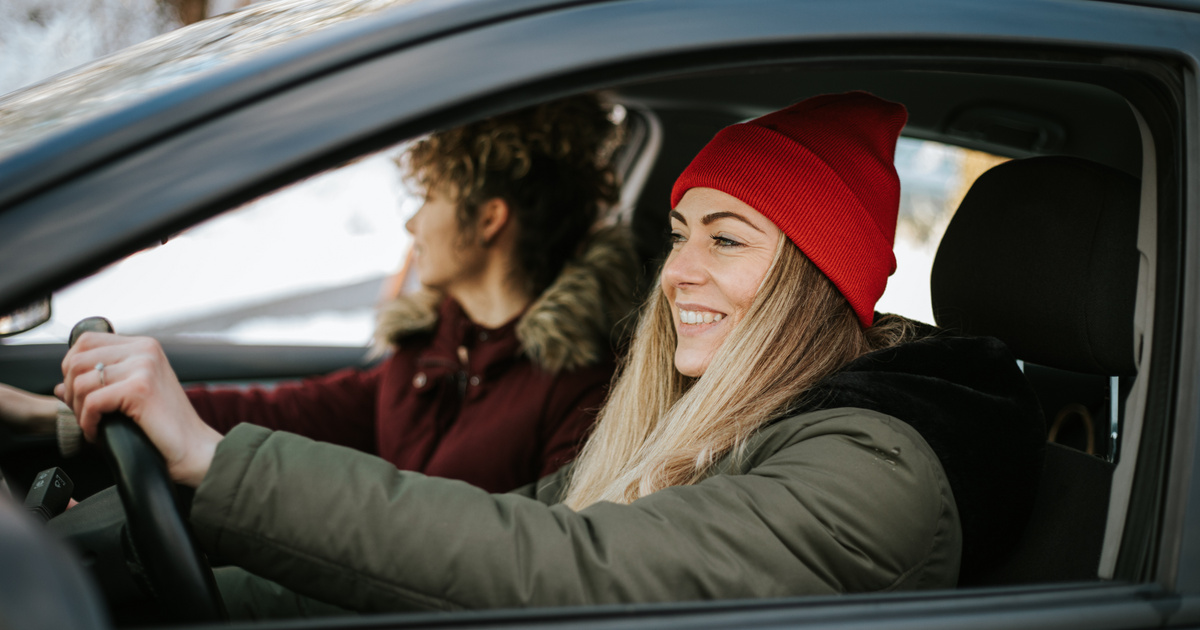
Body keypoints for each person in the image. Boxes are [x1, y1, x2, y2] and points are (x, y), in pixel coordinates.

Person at [57, 91, 1045, 615]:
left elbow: (572, 569)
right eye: (680, 233)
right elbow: (511, 522)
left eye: (727, 239)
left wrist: (215, 464)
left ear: (812, 282)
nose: (676, 274)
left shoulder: (875, 469)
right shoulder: (725, 420)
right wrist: (143, 567)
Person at [2, 94, 638, 494]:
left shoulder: (582, 390)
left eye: (430, 199)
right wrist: (63, 418)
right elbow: (287, 412)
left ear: (490, 219)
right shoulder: (436, 348)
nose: (412, 225)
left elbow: (538, 558)